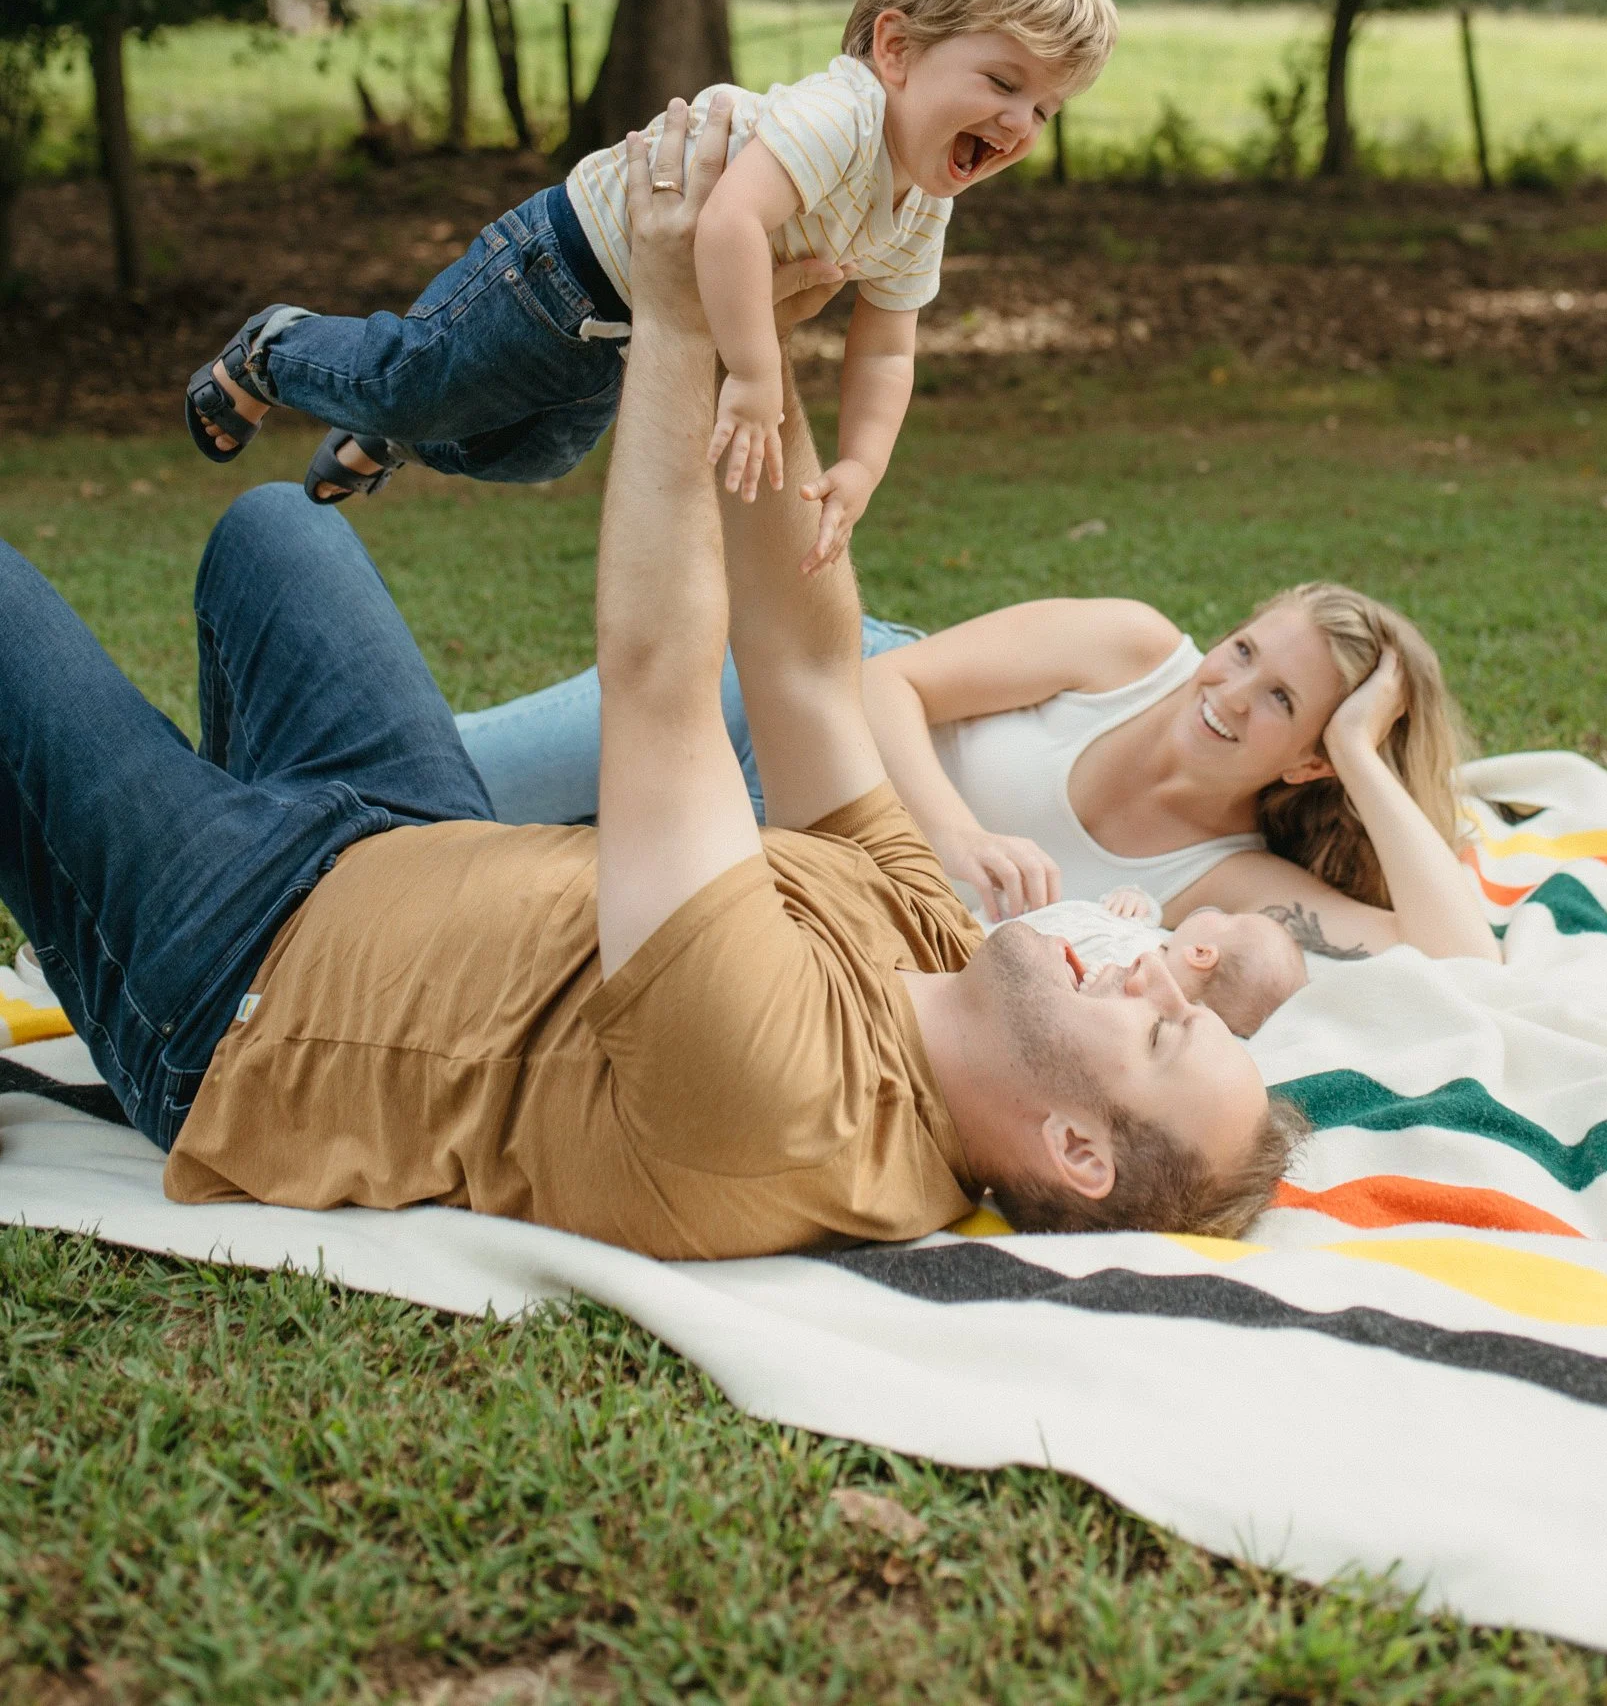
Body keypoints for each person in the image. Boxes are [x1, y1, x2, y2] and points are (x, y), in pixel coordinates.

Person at [0, 100, 1302, 1251]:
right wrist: (761, 340)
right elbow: (801, 664)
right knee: (277, 535)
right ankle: (124, 843)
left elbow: (661, 681)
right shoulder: (943, 954)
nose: (1149, 977)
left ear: (1073, 1151)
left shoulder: (785, 1107)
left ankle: (120, 910)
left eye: (1161, 1033)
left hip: (234, 980)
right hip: (406, 841)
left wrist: (675, 323)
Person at [183, 0, 1114, 572]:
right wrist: (751, 375)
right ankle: (276, 349)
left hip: (632, 331)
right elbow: (730, 220)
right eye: (1001, 80)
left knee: (533, 457)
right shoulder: (844, 111)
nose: (1020, 121)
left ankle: (385, 436)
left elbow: (888, 341)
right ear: (897, 48)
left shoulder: (919, 199)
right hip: (557, 267)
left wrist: (861, 465)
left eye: (1044, 106)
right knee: (414, 377)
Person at [458, 585, 1500, 969]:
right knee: (449, 786)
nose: (1228, 691)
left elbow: (1461, 956)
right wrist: (953, 841)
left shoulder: (1224, 879)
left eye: (1281, 701)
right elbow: (882, 680)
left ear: (1313, 758)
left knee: (456, 886)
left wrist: (1368, 754)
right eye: (1243, 651)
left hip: (770, 863)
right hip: (766, 706)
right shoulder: (1130, 650)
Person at [1018, 894, 1308, 1037]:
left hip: (1009, 947)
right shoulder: (1164, 940)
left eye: (1228, 919)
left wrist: (1089, 988)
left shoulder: (1133, 995)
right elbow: (1147, 914)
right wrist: (1132, 898)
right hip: (1022, 917)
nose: (1217, 912)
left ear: (1201, 954)